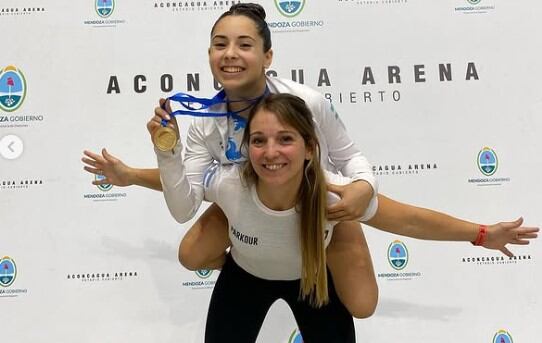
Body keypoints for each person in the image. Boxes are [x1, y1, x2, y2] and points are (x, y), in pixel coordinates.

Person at [82, 3, 539, 318]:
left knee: (361, 303)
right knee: (193, 251)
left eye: (244, 44)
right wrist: (152, 161)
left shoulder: (306, 105)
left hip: (319, 213)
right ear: (208, 55)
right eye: (220, 44)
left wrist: (361, 193)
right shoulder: (203, 123)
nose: (230, 54)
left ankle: (324, 239)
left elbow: (388, 198)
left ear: (268, 55)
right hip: (251, 215)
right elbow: (189, 193)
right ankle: (257, 256)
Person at [160, 93, 537, 342]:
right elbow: (174, 183)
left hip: (312, 280)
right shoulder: (230, 184)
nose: (270, 152)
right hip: (244, 279)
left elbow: (409, 221)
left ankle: (343, 239)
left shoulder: (332, 193)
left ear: (310, 148)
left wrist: (482, 233)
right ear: (247, 148)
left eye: (285, 139)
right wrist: (134, 171)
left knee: (362, 304)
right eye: (259, 140)